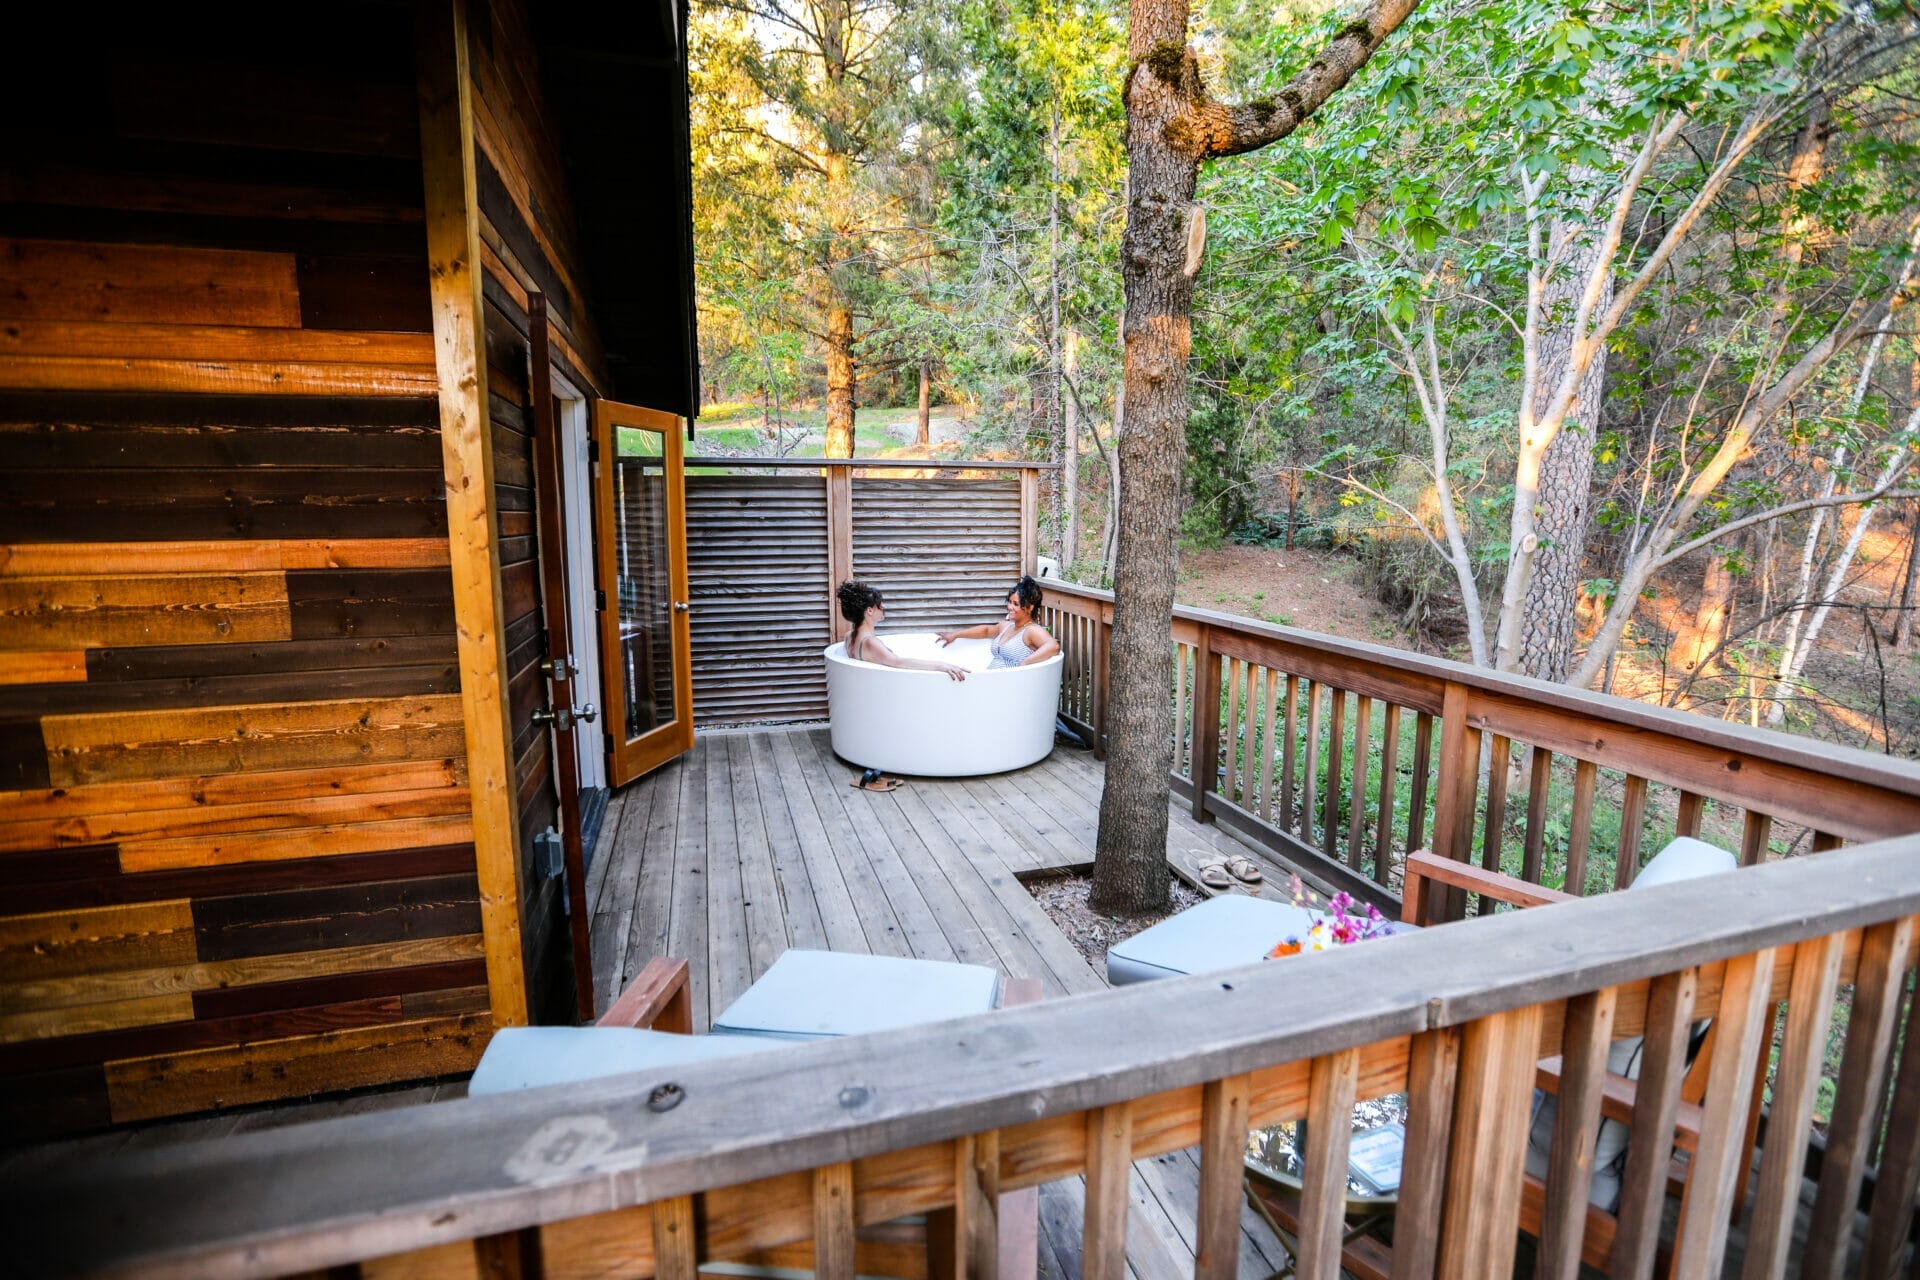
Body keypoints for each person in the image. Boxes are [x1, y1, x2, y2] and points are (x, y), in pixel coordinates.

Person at [838, 580, 967, 681]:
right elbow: (899, 662)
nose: (884, 606)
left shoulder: (850, 637)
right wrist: (941, 666)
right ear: (870, 611)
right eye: (880, 604)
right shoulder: (870, 643)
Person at [937, 575, 1062, 669]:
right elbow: (985, 631)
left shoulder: (1031, 630)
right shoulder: (1007, 626)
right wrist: (955, 635)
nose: (1009, 607)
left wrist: (1025, 664)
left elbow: (1054, 646)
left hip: (1009, 687)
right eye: (1010, 602)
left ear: (1030, 607)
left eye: (1016, 604)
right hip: (992, 683)